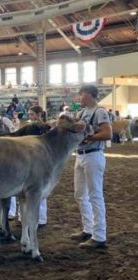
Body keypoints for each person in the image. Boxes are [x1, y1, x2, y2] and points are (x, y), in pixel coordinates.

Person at [70, 85, 112, 249]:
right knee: (80, 194)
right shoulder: (81, 113)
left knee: (95, 195)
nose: (79, 97)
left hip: (93, 155)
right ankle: (88, 229)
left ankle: (99, 236)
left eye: (81, 94)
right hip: (81, 155)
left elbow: (107, 134)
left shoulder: (100, 111)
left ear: (89, 94)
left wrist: (90, 138)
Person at [25, 105, 47, 227]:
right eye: (29, 114)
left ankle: (41, 218)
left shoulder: (45, 128)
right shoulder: (31, 127)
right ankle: (26, 218)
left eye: (32, 114)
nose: (30, 117)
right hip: (29, 160)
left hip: (41, 161)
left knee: (39, 190)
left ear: (39, 115)